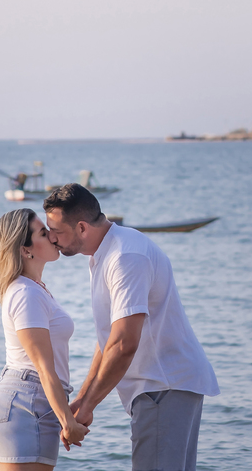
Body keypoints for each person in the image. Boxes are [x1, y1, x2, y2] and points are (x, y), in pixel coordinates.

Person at [43, 184, 219, 471]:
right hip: (164, 387)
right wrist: (83, 398)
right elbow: (109, 340)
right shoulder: (106, 253)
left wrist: (89, 407)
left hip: (164, 386)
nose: (52, 238)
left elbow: (124, 344)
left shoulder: (125, 257)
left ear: (83, 228)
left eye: (57, 232)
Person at [0, 208, 90, 471]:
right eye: (43, 233)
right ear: (25, 250)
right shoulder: (27, 294)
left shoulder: (30, 289)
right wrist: (66, 421)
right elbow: (43, 367)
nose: (53, 237)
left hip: (15, 404)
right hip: (27, 406)